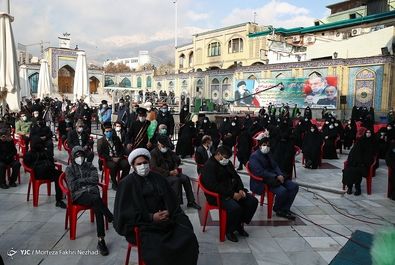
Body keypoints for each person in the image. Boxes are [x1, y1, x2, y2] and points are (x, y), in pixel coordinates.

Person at [113, 148, 199, 265]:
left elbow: (171, 200)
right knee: (161, 250)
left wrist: (168, 211)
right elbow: (125, 214)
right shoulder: (126, 184)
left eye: (145, 163)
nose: (143, 166)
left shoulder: (158, 178)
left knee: (187, 237)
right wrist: (151, 217)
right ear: (133, 166)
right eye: (139, 164)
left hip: (167, 220)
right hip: (145, 226)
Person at [201, 145, 257, 242]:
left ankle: (238, 225)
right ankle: (229, 231)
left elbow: (236, 176)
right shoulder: (209, 166)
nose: (227, 160)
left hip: (232, 190)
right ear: (218, 154)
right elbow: (213, 186)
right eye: (225, 157)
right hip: (217, 195)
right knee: (235, 208)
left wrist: (240, 189)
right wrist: (232, 194)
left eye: (228, 158)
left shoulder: (227, 163)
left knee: (252, 201)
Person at [65, 146, 114, 256]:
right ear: (73, 157)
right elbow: (72, 186)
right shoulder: (69, 169)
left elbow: (95, 180)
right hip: (79, 196)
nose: (80, 157)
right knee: (97, 200)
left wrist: (80, 181)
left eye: (82, 155)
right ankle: (110, 216)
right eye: (77, 155)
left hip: (92, 193)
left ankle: (101, 240)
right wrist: (86, 182)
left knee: (97, 206)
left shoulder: (90, 165)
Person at [249, 137, 299, 220]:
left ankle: (285, 208)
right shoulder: (254, 156)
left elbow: (275, 165)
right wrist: (275, 176)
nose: (266, 147)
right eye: (264, 145)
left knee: (294, 186)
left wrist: (280, 174)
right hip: (264, 180)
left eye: (268, 145)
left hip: (275, 177)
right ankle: (278, 209)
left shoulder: (268, 153)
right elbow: (260, 172)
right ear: (260, 146)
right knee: (282, 191)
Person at [150, 136, 200, 209]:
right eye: (164, 145)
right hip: (162, 175)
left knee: (185, 178)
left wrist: (176, 169)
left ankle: (191, 201)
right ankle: (176, 205)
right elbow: (154, 167)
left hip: (173, 172)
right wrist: (169, 172)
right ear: (159, 144)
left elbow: (176, 160)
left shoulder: (168, 151)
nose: (165, 147)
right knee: (176, 181)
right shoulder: (153, 153)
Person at [23, 136, 66, 208]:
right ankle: (59, 199)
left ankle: (61, 197)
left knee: (60, 175)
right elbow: (26, 165)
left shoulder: (41, 152)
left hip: (46, 172)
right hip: (38, 175)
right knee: (59, 175)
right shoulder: (31, 154)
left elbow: (51, 161)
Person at [342, 129, 377, 195]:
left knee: (357, 171)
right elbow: (353, 153)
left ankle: (358, 188)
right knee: (348, 170)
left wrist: (362, 162)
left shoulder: (373, 142)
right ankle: (350, 187)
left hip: (365, 164)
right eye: (367, 132)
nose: (368, 134)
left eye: (370, 132)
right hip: (355, 162)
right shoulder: (361, 141)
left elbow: (372, 154)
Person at [97, 122, 130, 190]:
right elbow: (101, 154)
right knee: (113, 166)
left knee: (127, 164)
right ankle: (114, 183)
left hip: (118, 157)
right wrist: (112, 159)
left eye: (110, 131)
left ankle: (122, 181)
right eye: (107, 131)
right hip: (108, 159)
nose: (109, 132)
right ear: (104, 132)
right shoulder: (100, 141)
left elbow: (121, 149)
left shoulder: (116, 138)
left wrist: (119, 157)